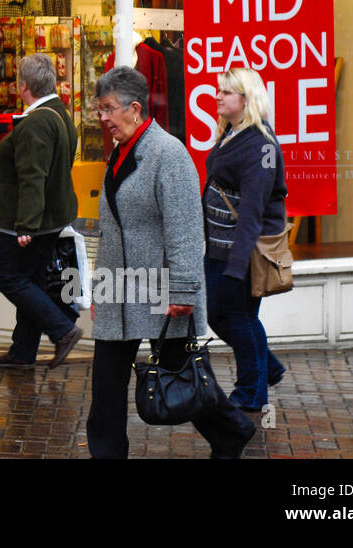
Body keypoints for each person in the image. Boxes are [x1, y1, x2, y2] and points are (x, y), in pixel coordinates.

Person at [86, 66, 255, 459]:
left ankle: (231, 431)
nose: (103, 118)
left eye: (109, 108)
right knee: (106, 388)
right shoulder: (119, 154)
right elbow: (113, 231)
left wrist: (182, 289)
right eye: (99, 109)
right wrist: (100, 289)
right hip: (119, 293)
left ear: (134, 108)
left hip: (163, 292)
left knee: (184, 379)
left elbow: (184, 230)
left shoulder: (168, 153)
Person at [0, 53, 83, 370]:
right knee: (30, 281)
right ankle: (23, 351)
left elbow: (32, 176)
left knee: (9, 278)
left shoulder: (38, 121)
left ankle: (63, 331)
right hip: (49, 219)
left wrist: (26, 226)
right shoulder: (60, 114)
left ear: (23, 85)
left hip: (26, 222)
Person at [204, 67, 289, 412]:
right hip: (218, 247)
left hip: (243, 252)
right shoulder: (232, 133)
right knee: (217, 315)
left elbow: (253, 211)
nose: (218, 96)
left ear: (246, 99)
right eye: (220, 90)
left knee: (240, 317)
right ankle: (266, 366)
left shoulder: (261, 146)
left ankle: (250, 392)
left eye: (226, 92)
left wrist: (237, 266)